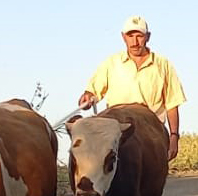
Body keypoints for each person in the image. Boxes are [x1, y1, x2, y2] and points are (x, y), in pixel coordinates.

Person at [77, 15, 186, 161]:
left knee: (150, 181)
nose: (134, 42)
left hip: (150, 132)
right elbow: (92, 92)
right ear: (123, 37)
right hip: (118, 129)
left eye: (139, 36)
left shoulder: (163, 65)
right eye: (130, 35)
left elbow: (172, 103)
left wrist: (174, 137)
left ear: (148, 36)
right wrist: (87, 97)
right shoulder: (112, 63)